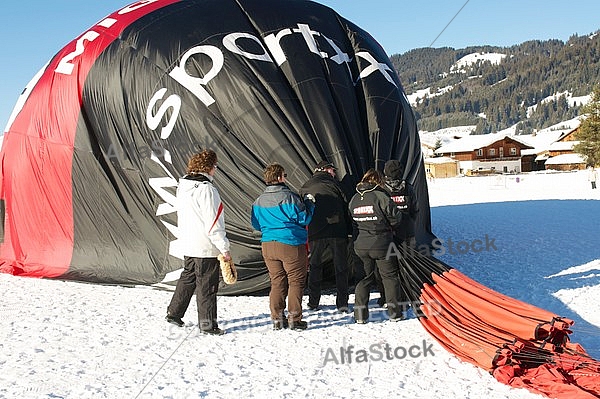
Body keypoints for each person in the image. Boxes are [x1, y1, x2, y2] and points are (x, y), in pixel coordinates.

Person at [165, 149, 231, 335]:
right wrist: (224, 247)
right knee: (207, 285)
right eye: (215, 167)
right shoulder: (207, 189)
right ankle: (208, 325)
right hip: (205, 245)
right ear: (209, 168)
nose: (215, 170)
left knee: (188, 277)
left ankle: (174, 313)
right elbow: (213, 220)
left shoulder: (183, 186)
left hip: (188, 242)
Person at [251, 163, 315, 330]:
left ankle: (277, 319)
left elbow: (256, 224)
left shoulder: (258, 201)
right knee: (296, 281)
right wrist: (310, 203)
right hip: (290, 243)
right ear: (280, 177)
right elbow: (304, 219)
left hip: (268, 245)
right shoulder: (290, 197)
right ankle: (295, 319)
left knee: (277, 281)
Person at [349, 169, 402, 324]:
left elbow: (352, 221)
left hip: (360, 245)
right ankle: (394, 313)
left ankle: (360, 316)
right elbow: (396, 217)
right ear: (378, 181)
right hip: (382, 243)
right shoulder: (381, 195)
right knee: (389, 277)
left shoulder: (354, 199)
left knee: (363, 279)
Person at [300, 161, 352, 313]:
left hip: (315, 232)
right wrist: (349, 229)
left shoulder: (305, 186)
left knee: (315, 266)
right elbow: (346, 206)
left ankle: (313, 302)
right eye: (332, 170)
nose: (335, 173)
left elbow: (302, 208)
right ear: (326, 170)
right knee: (341, 268)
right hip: (337, 230)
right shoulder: (335, 185)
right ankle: (342, 303)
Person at [375, 159, 419, 307]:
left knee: (386, 269)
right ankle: (408, 296)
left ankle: (386, 297)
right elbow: (415, 209)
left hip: (387, 234)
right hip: (407, 232)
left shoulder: (380, 189)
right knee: (407, 265)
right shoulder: (408, 187)